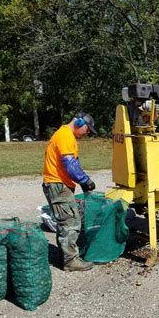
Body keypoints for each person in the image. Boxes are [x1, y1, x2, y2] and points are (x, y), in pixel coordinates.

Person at [42, 113, 97, 272]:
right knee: (71, 223)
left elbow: (72, 165)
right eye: (87, 130)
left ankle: (65, 256)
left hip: (57, 185)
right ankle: (70, 261)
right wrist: (85, 181)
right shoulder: (65, 136)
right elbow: (70, 164)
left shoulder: (65, 135)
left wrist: (81, 181)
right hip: (58, 186)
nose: (86, 134)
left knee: (65, 221)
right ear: (79, 123)